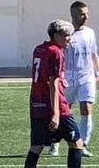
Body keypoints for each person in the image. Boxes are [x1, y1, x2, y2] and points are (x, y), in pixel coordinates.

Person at [25, 19, 85, 168]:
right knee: (77, 143)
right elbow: (53, 83)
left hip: (36, 102)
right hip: (55, 104)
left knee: (36, 146)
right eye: (66, 35)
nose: (69, 39)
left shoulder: (39, 49)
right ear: (56, 35)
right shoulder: (56, 52)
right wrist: (56, 114)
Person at [60, 2, 99, 158]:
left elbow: (93, 53)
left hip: (87, 77)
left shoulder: (90, 33)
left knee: (86, 108)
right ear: (73, 16)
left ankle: (83, 144)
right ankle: (55, 140)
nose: (86, 17)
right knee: (64, 110)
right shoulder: (65, 33)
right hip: (68, 78)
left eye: (86, 13)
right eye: (82, 14)